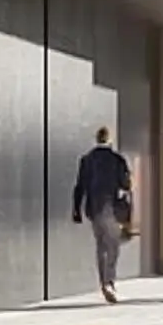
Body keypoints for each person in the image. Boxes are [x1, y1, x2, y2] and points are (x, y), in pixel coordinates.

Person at [69, 125, 133, 303]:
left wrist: (76, 209)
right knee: (113, 245)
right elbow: (126, 184)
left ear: (97, 139)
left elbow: (79, 186)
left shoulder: (87, 160)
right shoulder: (117, 159)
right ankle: (109, 282)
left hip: (94, 209)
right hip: (112, 207)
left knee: (101, 245)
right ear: (110, 139)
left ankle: (104, 282)